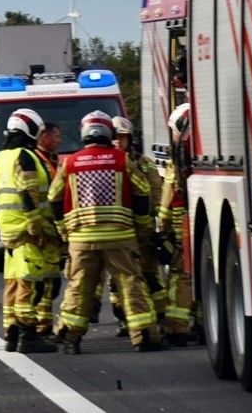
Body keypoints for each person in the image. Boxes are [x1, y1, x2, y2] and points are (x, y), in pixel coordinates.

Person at [47, 110, 164, 354]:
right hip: (120, 238)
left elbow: (54, 199)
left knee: (79, 286)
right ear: (108, 133)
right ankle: (143, 336)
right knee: (131, 284)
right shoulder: (122, 160)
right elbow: (143, 193)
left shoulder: (70, 163)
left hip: (81, 239)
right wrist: (142, 227)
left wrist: (64, 231)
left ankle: (70, 337)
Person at [0, 108, 59, 354]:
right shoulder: (26, 157)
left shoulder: (3, 158)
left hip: (8, 229)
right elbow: (28, 194)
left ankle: (12, 333)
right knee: (31, 283)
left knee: (13, 282)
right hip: (27, 230)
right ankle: (28, 335)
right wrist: (36, 226)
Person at [110, 116, 166, 339]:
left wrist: (159, 225)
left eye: (122, 137)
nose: (117, 142)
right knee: (119, 281)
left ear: (129, 139)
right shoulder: (108, 162)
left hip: (143, 230)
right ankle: (125, 318)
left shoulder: (144, 163)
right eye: (114, 137)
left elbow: (156, 193)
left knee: (150, 276)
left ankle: (158, 317)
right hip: (120, 230)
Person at [158, 103, 196, 345]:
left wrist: (163, 227)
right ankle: (198, 322)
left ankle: (176, 326)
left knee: (181, 276)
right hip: (196, 223)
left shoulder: (177, 160)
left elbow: (168, 196)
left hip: (183, 225)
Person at [33, 121, 63, 337]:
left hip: (51, 229)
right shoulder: (38, 161)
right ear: (43, 137)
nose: (60, 141)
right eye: (56, 136)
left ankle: (44, 321)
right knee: (45, 280)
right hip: (44, 230)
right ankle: (42, 323)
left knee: (52, 279)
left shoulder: (50, 160)